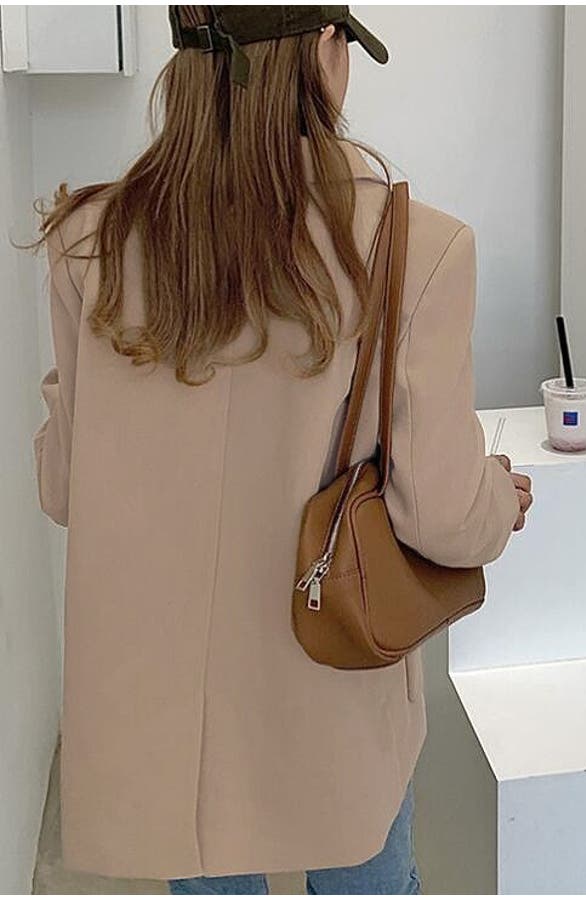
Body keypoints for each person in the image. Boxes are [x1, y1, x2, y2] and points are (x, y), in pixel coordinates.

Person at [27, 4, 533, 895]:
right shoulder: (416, 248)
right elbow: (443, 516)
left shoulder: (86, 243)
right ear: (326, 51)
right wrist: (501, 497)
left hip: (164, 715)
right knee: (368, 867)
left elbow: (67, 486)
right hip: (328, 673)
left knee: (203, 862)